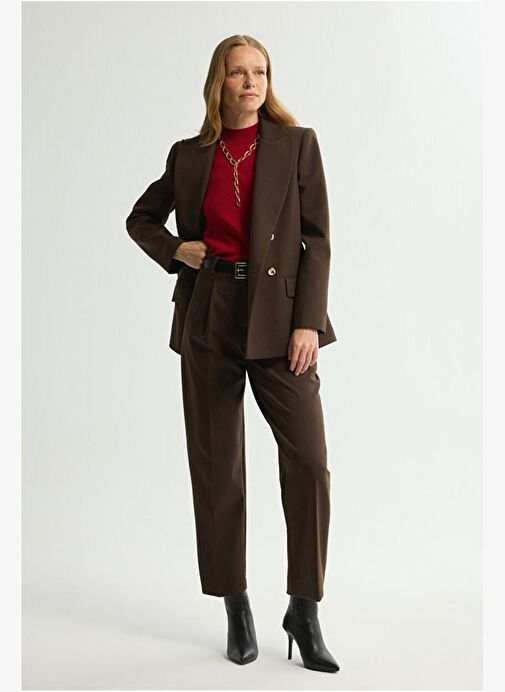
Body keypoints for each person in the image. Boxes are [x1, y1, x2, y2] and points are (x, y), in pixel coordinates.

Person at [126, 34, 340, 674]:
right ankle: (235, 604)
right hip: (209, 314)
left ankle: (304, 609)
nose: (251, 82)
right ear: (218, 82)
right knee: (218, 467)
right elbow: (141, 219)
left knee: (309, 463)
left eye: (260, 72)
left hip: (281, 318)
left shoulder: (297, 144)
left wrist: (307, 324)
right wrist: (177, 251)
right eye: (239, 72)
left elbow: (318, 239)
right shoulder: (190, 156)